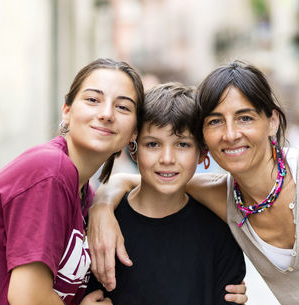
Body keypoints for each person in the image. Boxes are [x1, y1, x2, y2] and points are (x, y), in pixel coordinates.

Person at [88, 60, 299, 304]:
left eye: (245, 118)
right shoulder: (223, 198)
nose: (232, 134)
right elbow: (148, 179)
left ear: (272, 122)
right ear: (205, 139)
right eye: (216, 121)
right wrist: (102, 203)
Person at [0, 58, 144, 305]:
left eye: (123, 107)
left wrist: (103, 204)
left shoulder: (84, 192)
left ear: (135, 132)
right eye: (93, 100)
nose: (106, 114)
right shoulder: (50, 172)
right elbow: (27, 297)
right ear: (67, 110)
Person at [85, 82, 247, 305]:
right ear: (133, 148)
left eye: (182, 144)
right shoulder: (104, 226)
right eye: (153, 144)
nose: (167, 159)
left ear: (202, 153)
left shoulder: (219, 233)